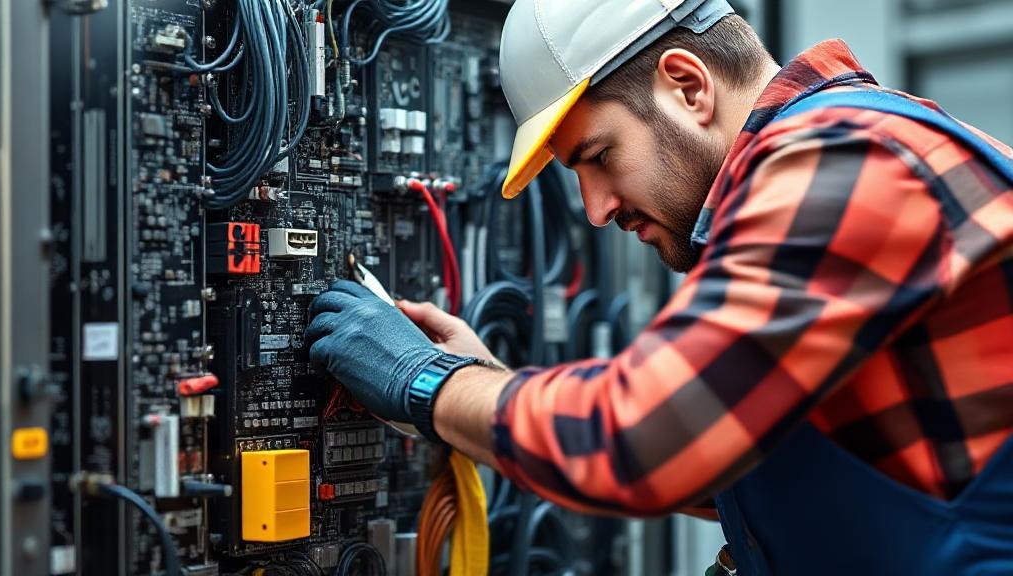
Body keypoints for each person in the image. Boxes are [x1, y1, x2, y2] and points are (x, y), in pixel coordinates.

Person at [305, 0, 1013, 573]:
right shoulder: (847, 154)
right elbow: (739, 459)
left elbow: (642, 440)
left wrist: (429, 383)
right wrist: (486, 382)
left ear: (688, 85)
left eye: (600, 156)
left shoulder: (849, 159)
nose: (595, 208)